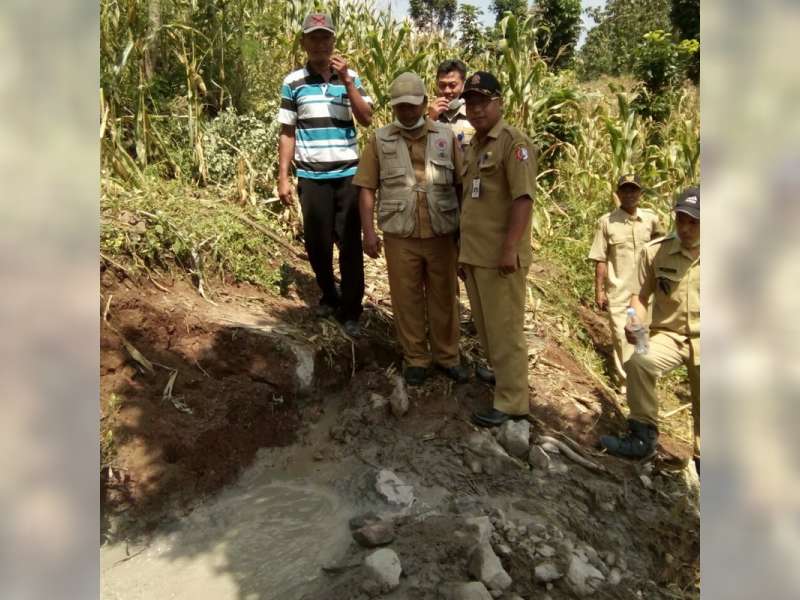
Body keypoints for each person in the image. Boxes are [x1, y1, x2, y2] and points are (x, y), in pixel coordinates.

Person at [354, 73, 470, 386]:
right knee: (406, 298)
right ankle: (416, 358)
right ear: (393, 107)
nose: (406, 111)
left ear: (423, 103)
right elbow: (366, 187)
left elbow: (460, 185)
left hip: (440, 231)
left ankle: (448, 356)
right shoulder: (380, 140)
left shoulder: (445, 136)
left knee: (445, 297)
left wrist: (464, 233)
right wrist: (368, 232)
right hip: (400, 234)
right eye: (400, 106)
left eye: (412, 105)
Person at [277, 13, 373, 337]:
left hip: (348, 175)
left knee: (350, 244)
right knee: (317, 245)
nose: (319, 44)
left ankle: (351, 310)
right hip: (312, 175)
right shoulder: (293, 82)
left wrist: (347, 82)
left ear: (333, 41)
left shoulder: (351, 77)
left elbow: (366, 118)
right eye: (313, 38)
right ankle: (330, 296)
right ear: (304, 43)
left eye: (325, 37)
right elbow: (287, 131)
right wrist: (283, 176)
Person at [458, 72, 537, 427]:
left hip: (500, 257)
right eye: (470, 103)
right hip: (476, 254)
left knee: (505, 330)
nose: (476, 109)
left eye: (482, 102)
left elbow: (523, 199)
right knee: (488, 329)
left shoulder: (513, 143)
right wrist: (463, 253)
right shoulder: (475, 145)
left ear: (499, 103)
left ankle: (512, 403)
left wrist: (510, 249)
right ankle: (502, 377)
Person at [600, 187, 700, 464]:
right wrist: (634, 319)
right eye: (681, 220)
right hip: (669, 335)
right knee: (638, 362)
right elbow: (639, 297)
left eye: (693, 222)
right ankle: (642, 437)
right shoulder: (656, 251)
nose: (685, 228)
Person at [588, 174, 664, 391]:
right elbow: (601, 258)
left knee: (642, 334)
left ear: (641, 194)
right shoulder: (607, 222)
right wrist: (599, 291)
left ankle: (642, 379)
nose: (629, 194)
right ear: (618, 194)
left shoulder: (651, 220)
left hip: (644, 293)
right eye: (625, 190)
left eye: (634, 190)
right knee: (622, 336)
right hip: (620, 293)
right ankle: (626, 384)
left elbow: (663, 248)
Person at [427, 59, 475, 150]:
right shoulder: (428, 116)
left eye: (452, 85)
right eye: (442, 85)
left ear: (463, 85)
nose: (447, 91)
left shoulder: (475, 115)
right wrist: (431, 119)